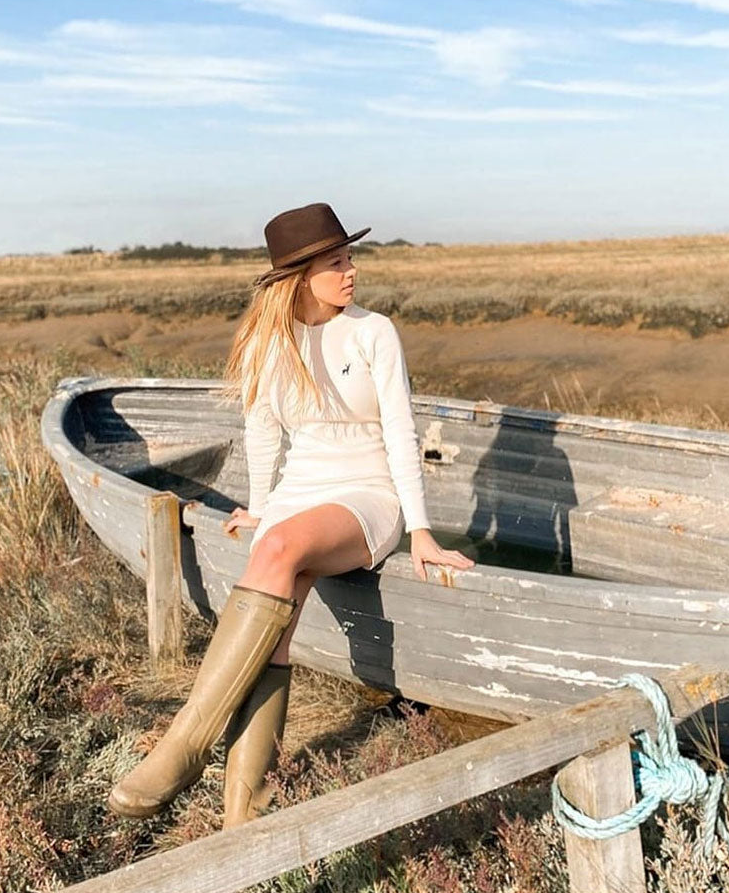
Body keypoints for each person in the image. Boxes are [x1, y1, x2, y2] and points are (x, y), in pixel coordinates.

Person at [108, 202, 474, 826]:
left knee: (278, 552)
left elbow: (400, 433)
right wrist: (264, 506)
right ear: (301, 276)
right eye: (337, 262)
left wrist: (420, 531)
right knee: (281, 601)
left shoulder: (373, 332)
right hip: (303, 490)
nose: (352, 271)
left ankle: (186, 744)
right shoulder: (265, 342)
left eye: (350, 257)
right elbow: (263, 434)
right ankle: (245, 805)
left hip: (368, 495)